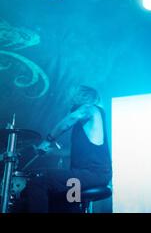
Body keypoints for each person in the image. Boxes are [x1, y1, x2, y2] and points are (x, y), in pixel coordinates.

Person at [23, 85, 112, 213]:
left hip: (91, 175)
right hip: (81, 179)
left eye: (73, 96)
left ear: (84, 97)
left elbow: (69, 120)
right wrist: (52, 152)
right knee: (66, 200)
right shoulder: (89, 121)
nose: (69, 100)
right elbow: (72, 152)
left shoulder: (90, 109)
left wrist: (48, 140)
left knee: (38, 178)